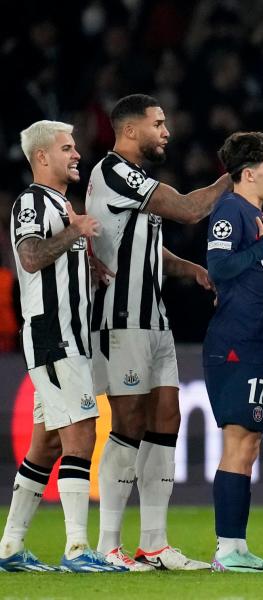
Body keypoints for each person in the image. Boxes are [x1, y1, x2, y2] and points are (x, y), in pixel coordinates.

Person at [86, 94, 231, 571]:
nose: (167, 131)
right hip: (120, 319)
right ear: (130, 131)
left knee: (167, 417)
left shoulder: (138, 182)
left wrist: (189, 269)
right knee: (128, 424)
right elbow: (189, 210)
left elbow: (144, 247)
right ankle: (108, 545)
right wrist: (236, 176)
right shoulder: (113, 172)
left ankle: (154, 543)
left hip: (154, 319)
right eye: (158, 123)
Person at [0, 120, 123, 572]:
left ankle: (10, 547)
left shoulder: (57, 204)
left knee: (46, 446)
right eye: (66, 148)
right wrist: (75, 233)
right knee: (82, 433)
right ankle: (76, 549)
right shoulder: (31, 201)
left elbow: (51, 259)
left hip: (68, 334)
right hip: (53, 334)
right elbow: (30, 257)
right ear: (42, 157)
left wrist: (86, 267)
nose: (76, 154)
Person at [204, 132, 263, 572]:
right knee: (239, 441)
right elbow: (219, 267)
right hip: (236, 346)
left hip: (256, 341)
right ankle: (227, 549)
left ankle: (236, 546)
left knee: (248, 443)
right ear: (249, 172)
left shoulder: (252, 215)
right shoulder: (231, 210)